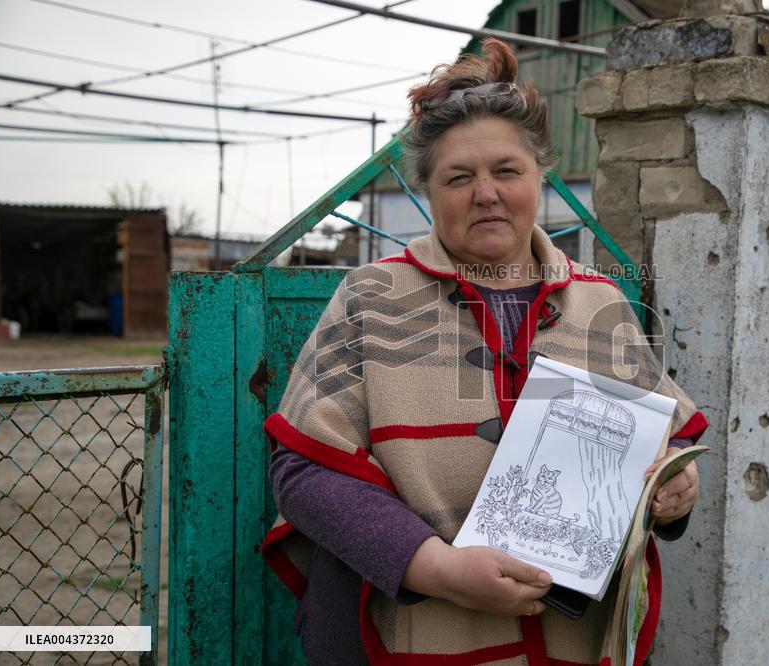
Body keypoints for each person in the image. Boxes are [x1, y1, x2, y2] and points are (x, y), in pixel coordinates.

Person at [262, 39, 708, 665]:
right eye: (459, 178)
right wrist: (438, 569)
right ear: (428, 190)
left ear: (539, 177)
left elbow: (665, 440)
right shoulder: (372, 298)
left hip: (573, 640)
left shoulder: (597, 302)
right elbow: (305, 469)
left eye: (506, 171)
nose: (486, 194)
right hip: (406, 633)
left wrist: (674, 485)